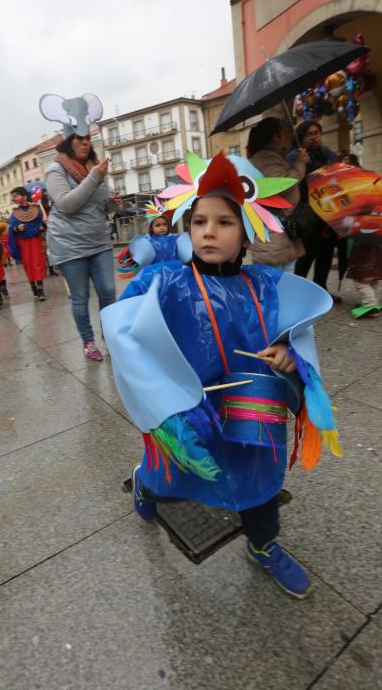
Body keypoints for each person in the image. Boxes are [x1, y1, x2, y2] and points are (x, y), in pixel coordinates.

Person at [102, 153, 341, 600]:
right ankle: (145, 486)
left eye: (225, 222)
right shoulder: (164, 281)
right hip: (186, 410)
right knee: (171, 479)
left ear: (248, 230)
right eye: (200, 221)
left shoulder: (267, 285)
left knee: (260, 485)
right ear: (188, 227)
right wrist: (164, 400)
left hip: (251, 407)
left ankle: (263, 543)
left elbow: (298, 331)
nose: (209, 231)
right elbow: (122, 330)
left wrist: (290, 354)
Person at [41, 92, 120, 361]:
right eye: (80, 139)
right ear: (68, 141)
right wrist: (95, 179)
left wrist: (113, 203)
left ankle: (111, 337)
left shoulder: (95, 166)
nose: (86, 143)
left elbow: (100, 206)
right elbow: (66, 204)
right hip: (70, 245)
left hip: (98, 241)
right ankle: (88, 342)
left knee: (108, 291)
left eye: (88, 138)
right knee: (80, 297)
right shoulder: (55, 171)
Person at [247, 117, 308, 272]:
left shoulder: (267, 157)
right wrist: (300, 162)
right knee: (280, 287)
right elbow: (284, 184)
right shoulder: (265, 159)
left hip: (277, 234)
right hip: (273, 236)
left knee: (283, 285)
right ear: (276, 136)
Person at [286, 121, 340, 297]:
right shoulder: (293, 157)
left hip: (329, 213)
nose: (314, 137)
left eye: (317, 133)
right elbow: (290, 182)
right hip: (306, 214)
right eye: (309, 134)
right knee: (306, 254)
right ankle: (299, 290)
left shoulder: (329, 155)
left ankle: (321, 289)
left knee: (326, 253)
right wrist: (301, 163)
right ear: (301, 138)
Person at [8, 187, 47, 301]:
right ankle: (33, 287)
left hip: (35, 240)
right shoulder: (14, 213)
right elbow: (11, 229)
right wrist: (17, 228)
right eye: (13, 197)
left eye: (16, 196)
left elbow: (42, 223)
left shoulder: (36, 208)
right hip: (23, 242)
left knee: (38, 263)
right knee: (28, 265)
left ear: (24, 197)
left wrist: (41, 227)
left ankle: (41, 290)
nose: (14, 198)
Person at [347, 242, 382, 318]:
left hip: (365, 263)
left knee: (361, 283)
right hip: (376, 263)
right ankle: (372, 301)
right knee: (373, 281)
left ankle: (370, 304)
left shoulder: (362, 234)